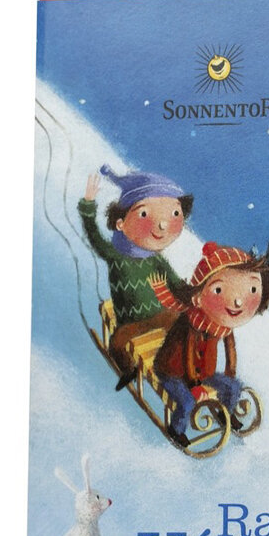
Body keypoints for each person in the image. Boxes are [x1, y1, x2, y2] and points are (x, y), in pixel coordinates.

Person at [149, 243, 269, 448]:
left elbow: (230, 350)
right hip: (173, 372)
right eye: (218, 290)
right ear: (198, 297)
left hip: (204, 373)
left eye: (252, 289)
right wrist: (194, 385)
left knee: (234, 387)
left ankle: (224, 413)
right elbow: (188, 354)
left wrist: (230, 374)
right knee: (187, 402)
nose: (237, 302)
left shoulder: (222, 324)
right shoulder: (192, 321)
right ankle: (176, 430)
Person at [80, 165, 192, 389]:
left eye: (174, 214)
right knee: (117, 344)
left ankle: (185, 367)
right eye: (144, 214)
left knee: (184, 323)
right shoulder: (115, 255)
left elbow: (176, 284)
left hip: (160, 316)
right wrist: (88, 206)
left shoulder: (156, 260)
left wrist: (194, 294)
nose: (162, 225)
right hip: (132, 323)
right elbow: (94, 237)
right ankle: (128, 371)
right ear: (120, 223)